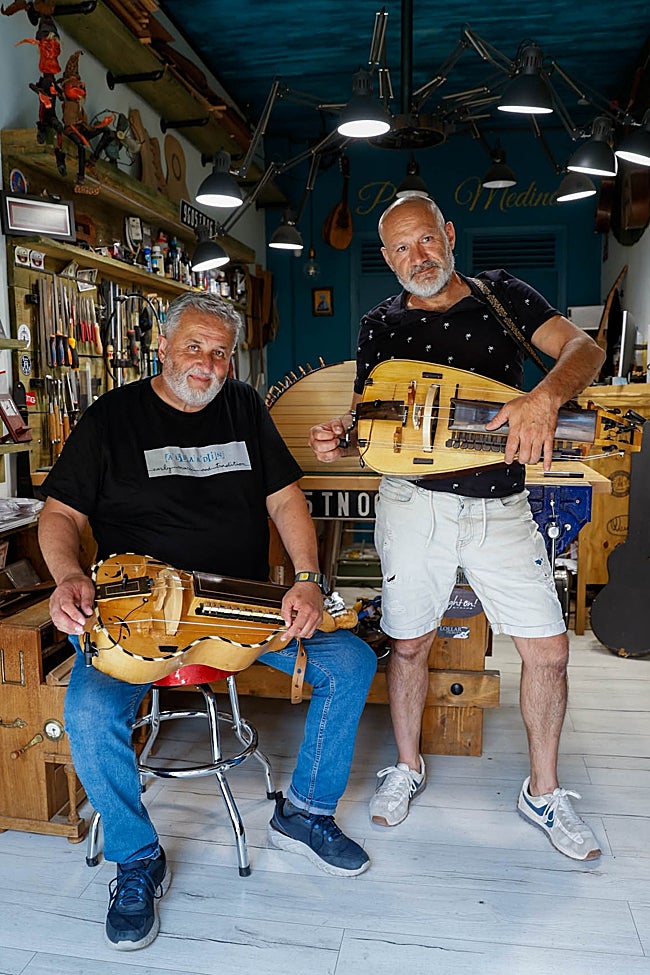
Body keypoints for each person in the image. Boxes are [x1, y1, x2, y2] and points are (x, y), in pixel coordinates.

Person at [38, 291, 377, 951]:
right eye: (194, 346)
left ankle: (305, 812)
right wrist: (68, 577)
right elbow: (60, 515)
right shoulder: (110, 418)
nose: (208, 362)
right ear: (162, 346)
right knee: (88, 711)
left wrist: (308, 579)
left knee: (351, 660)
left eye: (221, 352)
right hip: (135, 614)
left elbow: (286, 499)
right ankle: (137, 857)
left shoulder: (244, 406)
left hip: (237, 605)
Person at [309, 195, 606, 862]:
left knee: (549, 651)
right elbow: (372, 419)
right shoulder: (379, 324)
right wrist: (343, 437)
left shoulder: (504, 294)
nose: (418, 256)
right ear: (387, 259)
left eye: (425, 239)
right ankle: (407, 766)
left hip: (501, 504)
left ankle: (543, 791)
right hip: (414, 506)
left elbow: (584, 349)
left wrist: (543, 398)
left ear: (447, 234)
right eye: (401, 248)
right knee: (409, 643)